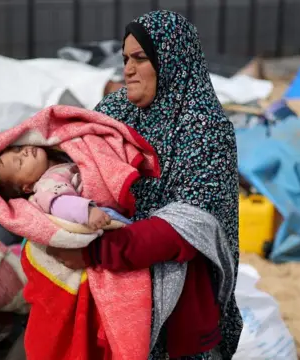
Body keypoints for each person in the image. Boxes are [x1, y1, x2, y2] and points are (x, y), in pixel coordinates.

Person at [48, 10, 243, 360]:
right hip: (110, 296)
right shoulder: (115, 112)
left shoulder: (206, 129)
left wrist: (95, 253)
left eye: (141, 58)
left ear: (171, 61)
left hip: (179, 306)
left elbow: (188, 226)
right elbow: (71, 164)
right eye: (125, 58)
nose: (128, 69)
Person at [0, 144, 111, 230]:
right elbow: (59, 203)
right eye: (20, 162)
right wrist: (86, 212)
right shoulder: (46, 184)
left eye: (18, 149)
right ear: (28, 187)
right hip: (102, 210)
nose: (24, 152)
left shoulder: (57, 155)